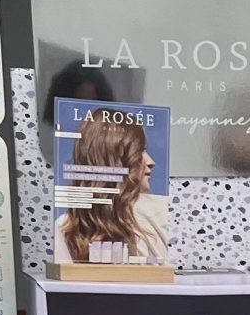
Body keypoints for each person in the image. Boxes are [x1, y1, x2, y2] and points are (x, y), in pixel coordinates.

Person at [57, 105, 170, 266]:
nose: (151, 162)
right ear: (115, 159)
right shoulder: (161, 212)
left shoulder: (64, 227)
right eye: (139, 151)